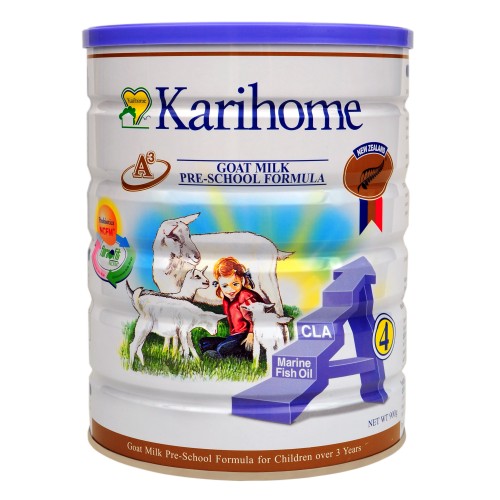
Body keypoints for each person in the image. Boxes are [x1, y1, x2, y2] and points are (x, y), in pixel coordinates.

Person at [199, 256, 264, 359]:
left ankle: (234, 355)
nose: (230, 290)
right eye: (225, 286)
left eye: (235, 284)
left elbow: (257, 318)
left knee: (222, 348)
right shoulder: (226, 299)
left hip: (249, 335)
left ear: (242, 280)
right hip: (235, 336)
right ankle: (220, 352)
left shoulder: (246, 296)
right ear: (219, 284)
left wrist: (251, 334)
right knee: (204, 342)